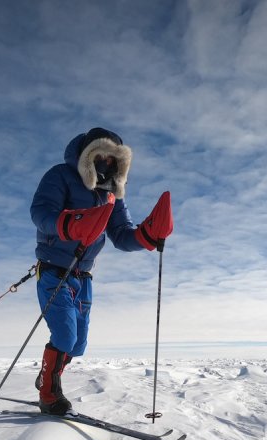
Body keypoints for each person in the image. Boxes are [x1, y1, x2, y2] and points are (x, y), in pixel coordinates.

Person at [30, 127, 173, 414]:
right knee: (65, 335)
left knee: (78, 344)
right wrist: (71, 224)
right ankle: (49, 394)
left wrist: (146, 235)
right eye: (101, 154)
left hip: (84, 276)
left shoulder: (112, 195)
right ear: (87, 154)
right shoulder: (60, 175)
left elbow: (121, 233)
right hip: (54, 270)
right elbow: (41, 212)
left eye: (114, 158)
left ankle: (49, 373)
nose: (107, 161)